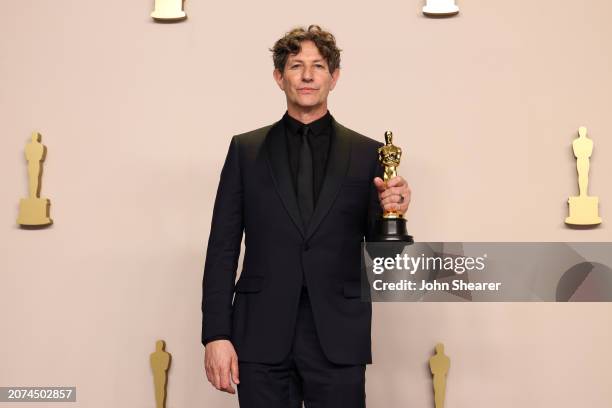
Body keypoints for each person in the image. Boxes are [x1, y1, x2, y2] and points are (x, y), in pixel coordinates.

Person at [201, 25, 411, 407]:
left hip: (338, 335)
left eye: (318, 66)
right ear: (279, 77)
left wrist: (393, 216)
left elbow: (385, 266)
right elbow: (221, 249)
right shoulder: (245, 151)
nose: (308, 75)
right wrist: (216, 335)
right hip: (259, 336)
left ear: (335, 77)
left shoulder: (369, 155)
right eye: (297, 66)